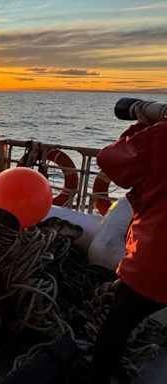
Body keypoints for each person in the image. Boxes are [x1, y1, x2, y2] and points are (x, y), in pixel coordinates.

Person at [92, 105, 167, 383]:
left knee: (116, 327)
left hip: (156, 262)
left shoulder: (160, 138)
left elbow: (110, 160)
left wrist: (141, 126)